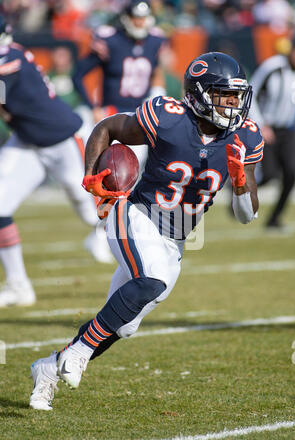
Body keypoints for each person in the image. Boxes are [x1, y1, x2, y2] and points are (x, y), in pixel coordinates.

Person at [29, 51, 263, 411]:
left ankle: (47, 368)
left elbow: (247, 216)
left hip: (176, 239)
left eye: (236, 95)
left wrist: (241, 180)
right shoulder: (168, 119)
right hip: (137, 214)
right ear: (199, 94)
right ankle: (77, 352)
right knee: (151, 281)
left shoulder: (244, 138)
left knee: (123, 325)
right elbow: (107, 128)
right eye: (224, 95)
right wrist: (92, 179)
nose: (234, 104)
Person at [0, 16, 115, 308]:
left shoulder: (9, 58)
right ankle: (18, 286)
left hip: (63, 138)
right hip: (27, 140)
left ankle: (138, 266)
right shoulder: (11, 54)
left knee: (91, 210)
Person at [72, 0, 168, 262]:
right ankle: (102, 233)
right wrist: (92, 106)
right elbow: (78, 74)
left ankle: (112, 232)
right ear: (126, 18)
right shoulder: (109, 40)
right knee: (110, 177)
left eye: (143, 18)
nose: (140, 24)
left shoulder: (155, 41)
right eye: (135, 18)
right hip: (112, 117)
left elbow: (156, 71)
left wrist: (158, 97)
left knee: (131, 178)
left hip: (140, 118)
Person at [249, 32, 295, 229]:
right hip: (268, 128)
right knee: (268, 175)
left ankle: (274, 219)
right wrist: (261, 124)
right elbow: (250, 94)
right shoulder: (273, 66)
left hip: (289, 130)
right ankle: (239, 191)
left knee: (290, 175)